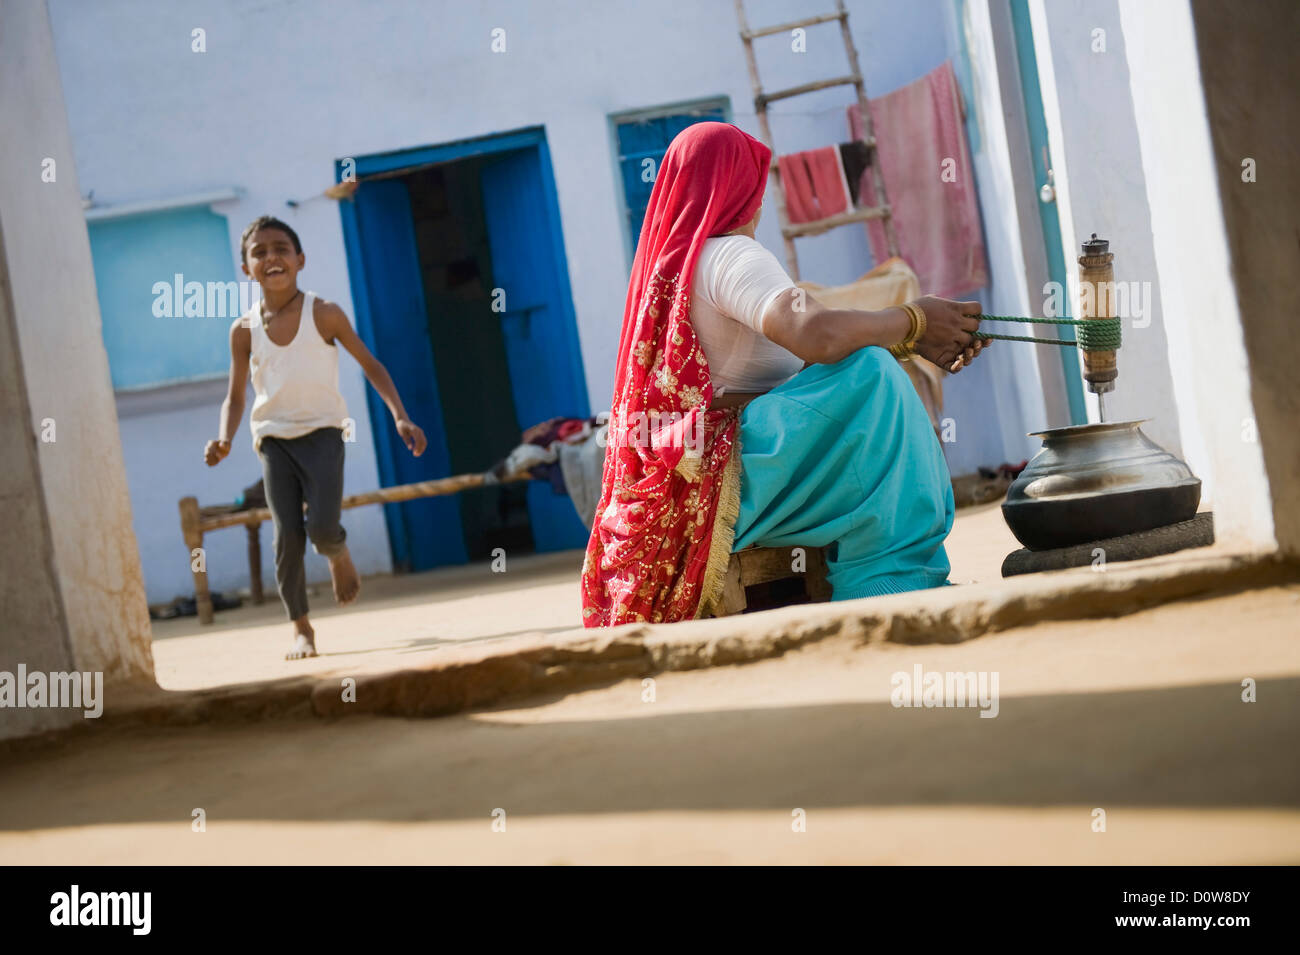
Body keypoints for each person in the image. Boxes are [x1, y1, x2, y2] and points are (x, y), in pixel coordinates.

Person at [581, 123, 989, 626]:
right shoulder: (731, 255)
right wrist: (916, 320)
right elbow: (815, 334)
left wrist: (918, 336)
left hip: (683, 495)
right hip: (729, 484)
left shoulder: (671, 270)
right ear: (742, 189)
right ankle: (891, 581)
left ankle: (883, 573)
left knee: (866, 367)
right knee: (874, 378)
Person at [204, 216, 428, 659]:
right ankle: (301, 628)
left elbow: (371, 365)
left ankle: (337, 552)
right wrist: (224, 438)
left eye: (281, 248)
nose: (272, 256)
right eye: (260, 251)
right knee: (287, 535)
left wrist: (400, 416)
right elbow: (234, 396)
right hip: (273, 439)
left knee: (323, 528)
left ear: (300, 259)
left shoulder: (324, 313)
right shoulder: (243, 330)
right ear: (246, 268)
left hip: (324, 433)